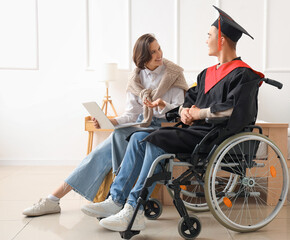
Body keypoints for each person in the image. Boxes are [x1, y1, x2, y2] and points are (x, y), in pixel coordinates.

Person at [82, 5, 265, 232]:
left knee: (156, 137)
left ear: (222, 41)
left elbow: (236, 110)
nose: (205, 40)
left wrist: (199, 113)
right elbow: (189, 99)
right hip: (197, 132)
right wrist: (184, 112)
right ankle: (117, 200)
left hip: (218, 136)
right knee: (140, 136)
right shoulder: (206, 74)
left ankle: (134, 208)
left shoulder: (243, 74)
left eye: (209, 36)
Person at [22, 33, 189, 217]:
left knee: (111, 144)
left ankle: (115, 199)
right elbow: (131, 115)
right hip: (142, 125)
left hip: (163, 128)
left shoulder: (173, 74)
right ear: (142, 58)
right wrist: (109, 121)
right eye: (153, 52)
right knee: (101, 150)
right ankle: (53, 199)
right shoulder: (136, 78)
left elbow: (180, 112)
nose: (159, 54)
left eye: (159, 49)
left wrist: (161, 106)